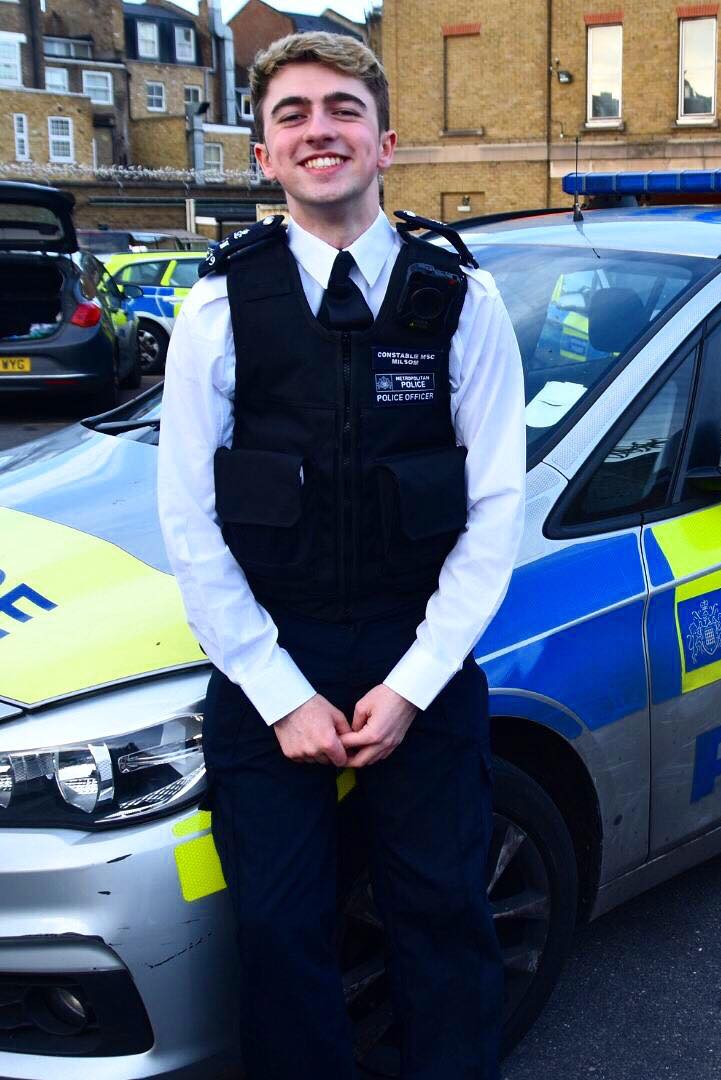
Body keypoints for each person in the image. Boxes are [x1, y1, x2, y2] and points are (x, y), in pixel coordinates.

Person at [157, 30, 524, 1080]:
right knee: (281, 937)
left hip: (421, 656)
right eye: (292, 115)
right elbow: (189, 518)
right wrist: (279, 692)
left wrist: (411, 686)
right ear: (265, 156)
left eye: (342, 110)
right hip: (272, 661)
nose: (320, 130)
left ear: (385, 141)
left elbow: (496, 508)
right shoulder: (219, 306)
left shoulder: (462, 300)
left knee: (444, 920)